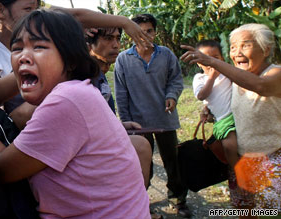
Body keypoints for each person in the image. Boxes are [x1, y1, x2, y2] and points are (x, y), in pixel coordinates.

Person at [0, 9, 150, 218]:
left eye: (38, 46)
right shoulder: (79, 91)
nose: (23, 57)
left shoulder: (66, 100)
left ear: (70, 60)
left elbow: (3, 169)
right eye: (17, 48)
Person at [0, 0, 151, 130]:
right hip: (11, 130)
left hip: (52, 125)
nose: (35, 16)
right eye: (28, 9)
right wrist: (42, 65)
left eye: (37, 8)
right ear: (0, 10)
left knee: (139, 145)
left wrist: (124, 22)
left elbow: (78, 15)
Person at [181, 23, 281, 215]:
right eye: (233, 47)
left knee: (269, 213)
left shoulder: (275, 74)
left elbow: (260, 86)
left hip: (272, 159)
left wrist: (213, 62)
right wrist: (207, 109)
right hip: (240, 162)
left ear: (266, 49)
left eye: (245, 45)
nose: (237, 53)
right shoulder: (236, 76)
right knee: (244, 212)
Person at [114, 13, 190, 217]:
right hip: (138, 124)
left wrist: (172, 96)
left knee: (172, 161)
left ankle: (178, 199)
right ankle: (140, 202)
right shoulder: (123, 59)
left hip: (165, 120)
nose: (145, 36)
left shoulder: (166, 55)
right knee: (140, 164)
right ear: (131, 34)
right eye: (140, 32)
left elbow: (175, 80)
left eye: (149, 31)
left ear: (155, 33)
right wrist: (126, 121)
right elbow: (121, 93)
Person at [86, 27, 152, 189]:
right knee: (141, 146)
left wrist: (120, 125)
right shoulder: (84, 77)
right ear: (89, 45)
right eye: (108, 39)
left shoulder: (99, 74)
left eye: (117, 38)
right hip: (90, 149)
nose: (116, 45)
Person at [193, 40, 239, 168]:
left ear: (222, 59)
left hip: (238, 116)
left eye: (215, 58)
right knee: (230, 145)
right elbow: (201, 95)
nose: (210, 62)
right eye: (205, 59)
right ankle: (237, 171)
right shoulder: (199, 78)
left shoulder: (227, 72)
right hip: (223, 120)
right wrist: (212, 78)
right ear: (198, 62)